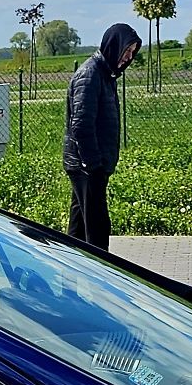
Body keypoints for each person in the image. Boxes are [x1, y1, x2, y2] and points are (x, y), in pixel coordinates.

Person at [62, 21, 141, 248]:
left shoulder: (105, 74)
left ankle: (71, 275)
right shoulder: (90, 74)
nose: (128, 57)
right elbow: (81, 125)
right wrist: (93, 164)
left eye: (132, 53)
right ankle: (100, 278)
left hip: (90, 165)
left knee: (78, 229)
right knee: (97, 229)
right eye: (126, 51)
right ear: (113, 46)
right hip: (86, 167)